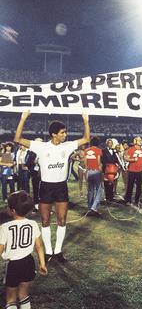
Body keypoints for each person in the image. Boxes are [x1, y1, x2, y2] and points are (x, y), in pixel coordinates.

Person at [14, 111, 90, 263]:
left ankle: (58, 251)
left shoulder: (67, 146)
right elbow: (17, 139)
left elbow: (86, 138)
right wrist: (23, 118)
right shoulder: (41, 146)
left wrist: (86, 120)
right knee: (45, 220)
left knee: (62, 220)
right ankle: (48, 251)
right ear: (54, 134)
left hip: (61, 187)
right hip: (46, 187)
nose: (65, 135)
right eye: (62, 132)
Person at [0, 190, 48, 309]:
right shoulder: (33, 224)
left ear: (13, 211)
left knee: (11, 297)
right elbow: (39, 246)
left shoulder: (5, 228)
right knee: (23, 294)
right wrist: (42, 263)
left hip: (12, 265)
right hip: (28, 262)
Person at [84, 137, 103, 217]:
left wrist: (87, 170)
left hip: (89, 171)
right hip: (96, 171)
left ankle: (89, 209)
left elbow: (85, 162)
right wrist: (101, 171)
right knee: (99, 189)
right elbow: (98, 162)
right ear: (98, 143)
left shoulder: (86, 150)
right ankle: (94, 207)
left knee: (90, 190)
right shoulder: (98, 150)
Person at [124, 137, 142, 205]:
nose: (141, 141)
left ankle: (137, 200)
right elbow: (126, 158)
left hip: (140, 171)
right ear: (135, 141)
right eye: (139, 140)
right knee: (130, 186)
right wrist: (133, 160)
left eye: (141, 140)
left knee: (139, 187)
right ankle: (128, 200)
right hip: (132, 171)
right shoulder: (131, 149)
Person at [25, 138, 43, 212]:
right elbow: (28, 163)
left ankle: (45, 206)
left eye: (40, 143)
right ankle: (36, 206)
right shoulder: (31, 152)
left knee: (44, 190)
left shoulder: (45, 151)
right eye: (37, 143)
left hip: (45, 173)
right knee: (35, 189)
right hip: (35, 174)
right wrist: (34, 162)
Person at [101, 139, 121, 203]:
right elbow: (102, 160)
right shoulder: (103, 151)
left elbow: (116, 159)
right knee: (106, 183)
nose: (110, 144)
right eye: (109, 143)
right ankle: (107, 197)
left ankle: (111, 197)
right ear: (106, 143)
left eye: (111, 143)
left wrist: (117, 165)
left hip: (113, 169)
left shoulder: (114, 151)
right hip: (106, 169)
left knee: (112, 183)